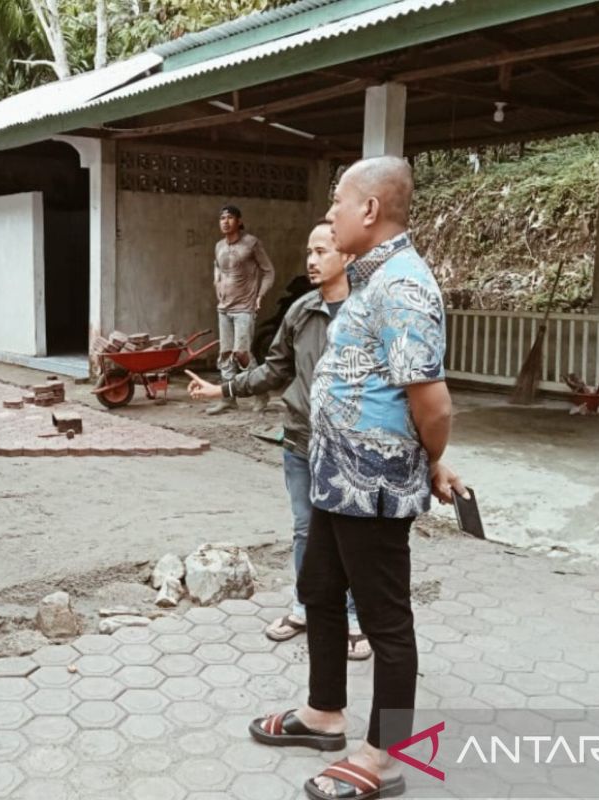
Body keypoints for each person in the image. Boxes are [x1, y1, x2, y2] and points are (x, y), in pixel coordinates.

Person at [249, 156, 467, 800]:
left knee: (386, 624)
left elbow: (433, 402)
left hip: (372, 484)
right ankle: (323, 715)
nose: (332, 213)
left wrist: (429, 461)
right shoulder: (366, 281)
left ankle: (385, 756)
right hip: (332, 477)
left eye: (338, 202)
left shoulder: (401, 285)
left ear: (369, 210)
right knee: (318, 591)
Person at [185, 220, 371, 661]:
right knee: (305, 529)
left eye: (321, 251)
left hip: (350, 447)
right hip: (301, 442)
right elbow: (274, 370)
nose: (311, 260)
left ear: (347, 256)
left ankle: (352, 617)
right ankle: (304, 607)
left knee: (349, 535)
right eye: (309, 251)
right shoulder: (301, 311)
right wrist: (222, 389)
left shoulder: (369, 313)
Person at [209, 204, 275, 415]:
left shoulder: (251, 243)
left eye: (230, 217)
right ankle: (228, 399)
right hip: (224, 307)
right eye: (222, 218)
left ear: (239, 221)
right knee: (226, 354)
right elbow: (217, 267)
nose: (225, 221)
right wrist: (217, 283)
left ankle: (261, 393)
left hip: (244, 306)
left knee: (242, 354)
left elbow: (268, 271)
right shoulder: (219, 246)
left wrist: (259, 296)